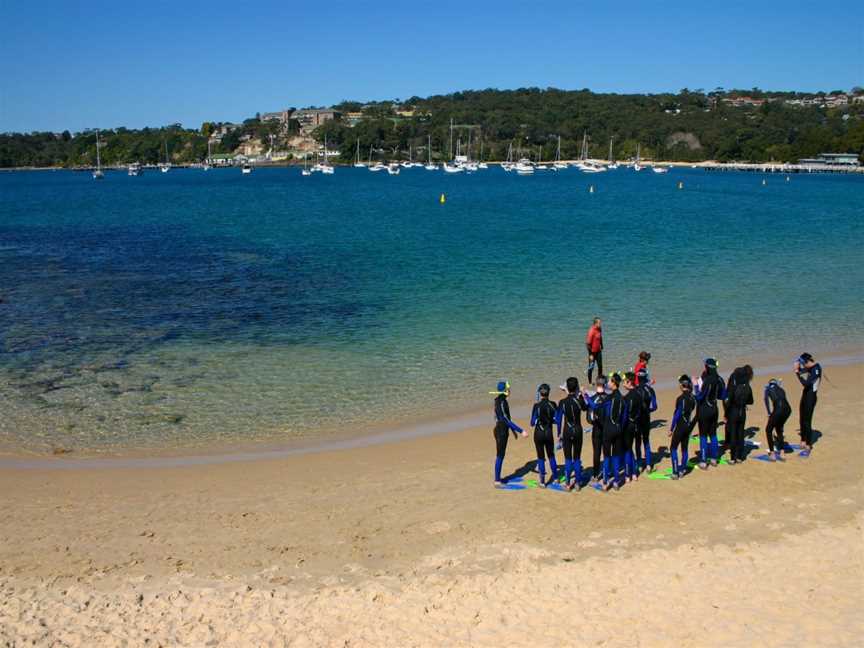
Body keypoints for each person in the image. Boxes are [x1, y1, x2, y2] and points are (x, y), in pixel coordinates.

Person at [583, 373, 628, 491]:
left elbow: (595, 407)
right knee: (616, 455)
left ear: (613, 383)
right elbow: (624, 417)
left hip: (607, 430)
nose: (608, 384)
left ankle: (604, 481)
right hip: (618, 429)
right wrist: (620, 428)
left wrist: (586, 396)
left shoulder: (609, 399)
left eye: (610, 382)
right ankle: (617, 482)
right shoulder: (623, 399)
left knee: (606, 455)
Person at [491, 381, 526, 487]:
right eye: (508, 389)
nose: (510, 390)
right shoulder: (502, 402)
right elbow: (505, 419)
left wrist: (513, 431)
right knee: (500, 455)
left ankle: (498, 478)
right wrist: (521, 431)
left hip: (501, 429)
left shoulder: (499, 400)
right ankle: (497, 481)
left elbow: (505, 418)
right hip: (501, 431)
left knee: (501, 454)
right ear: (505, 391)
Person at [556, 377, 588, 491]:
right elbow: (586, 408)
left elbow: (558, 419)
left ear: (567, 388)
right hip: (578, 430)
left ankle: (568, 483)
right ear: (577, 388)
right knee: (577, 458)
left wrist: (558, 433)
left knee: (568, 458)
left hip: (567, 431)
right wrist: (583, 394)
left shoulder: (562, 403)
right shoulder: (579, 400)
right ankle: (578, 483)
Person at [694, 358, 726, 469]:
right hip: (714, 408)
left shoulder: (707, 380)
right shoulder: (720, 379)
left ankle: (703, 461)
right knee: (713, 434)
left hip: (704, 410)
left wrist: (695, 386)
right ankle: (714, 458)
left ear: (707, 367)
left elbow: (699, 397)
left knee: (703, 435)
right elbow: (723, 396)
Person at [668, 375, 697, 479]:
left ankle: (675, 472)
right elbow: (692, 411)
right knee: (684, 449)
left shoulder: (680, 399)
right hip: (688, 426)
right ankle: (683, 469)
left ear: (681, 385)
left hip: (680, 426)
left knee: (673, 448)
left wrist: (671, 429)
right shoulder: (693, 398)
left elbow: (677, 415)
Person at [531, 384, 560, 487]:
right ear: (549, 393)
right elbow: (557, 420)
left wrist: (539, 418)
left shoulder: (536, 406)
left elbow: (532, 423)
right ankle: (556, 478)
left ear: (540, 393)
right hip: (548, 433)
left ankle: (542, 482)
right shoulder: (553, 404)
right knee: (551, 455)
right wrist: (550, 420)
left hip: (538, 433)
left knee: (540, 457)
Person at [724, 367, 754, 463]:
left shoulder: (735, 388)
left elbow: (729, 402)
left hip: (734, 411)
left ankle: (733, 458)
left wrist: (726, 413)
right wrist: (744, 402)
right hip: (742, 412)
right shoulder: (748, 387)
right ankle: (740, 457)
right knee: (740, 434)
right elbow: (751, 401)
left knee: (733, 434)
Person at [794, 353, 822, 454]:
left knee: (807, 421)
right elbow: (802, 371)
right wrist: (798, 369)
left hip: (811, 397)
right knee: (802, 418)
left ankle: (809, 444)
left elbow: (805, 383)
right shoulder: (810, 367)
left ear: (807, 362)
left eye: (802, 363)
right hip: (805, 395)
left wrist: (797, 372)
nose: (802, 366)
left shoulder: (816, 369)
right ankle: (803, 440)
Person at [635, 367, 657, 471]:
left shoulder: (635, 390)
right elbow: (655, 406)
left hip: (638, 419)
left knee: (638, 441)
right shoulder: (650, 390)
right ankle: (648, 465)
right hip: (646, 418)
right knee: (646, 441)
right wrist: (648, 411)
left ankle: (639, 464)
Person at [764, 379, 792, 461]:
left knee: (768, 430)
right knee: (779, 428)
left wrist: (769, 413)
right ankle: (782, 452)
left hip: (778, 410)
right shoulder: (781, 389)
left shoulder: (768, 389)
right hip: (788, 410)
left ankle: (772, 453)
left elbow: (766, 400)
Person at [586, 375, 608, 483]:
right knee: (607, 452)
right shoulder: (609, 398)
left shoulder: (593, 398)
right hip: (607, 428)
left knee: (597, 452)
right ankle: (606, 474)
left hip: (596, 428)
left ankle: (595, 475)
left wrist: (594, 422)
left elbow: (589, 418)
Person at [622, 372, 642, 481]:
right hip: (636, 424)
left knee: (627, 450)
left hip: (628, 425)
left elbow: (625, 414)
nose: (623, 384)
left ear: (629, 382)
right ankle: (634, 473)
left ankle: (627, 474)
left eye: (624, 382)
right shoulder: (639, 394)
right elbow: (640, 411)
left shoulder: (627, 397)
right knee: (631, 449)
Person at [585, 317, 604, 384]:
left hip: (598, 351)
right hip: (592, 353)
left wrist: (602, 345)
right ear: (595, 323)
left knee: (600, 366)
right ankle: (590, 382)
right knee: (591, 368)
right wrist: (590, 354)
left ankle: (599, 382)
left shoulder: (599, 329)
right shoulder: (591, 331)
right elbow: (587, 344)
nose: (600, 324)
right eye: (599, 323)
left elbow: (600, 337)